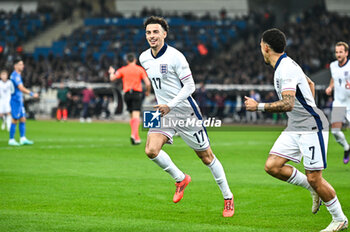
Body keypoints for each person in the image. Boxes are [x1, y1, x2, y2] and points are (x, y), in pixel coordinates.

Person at [244, 28, 348, 232]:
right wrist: (309, 105)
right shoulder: (286, 64)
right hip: (296, 126)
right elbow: (309, 83)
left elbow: (288, 103)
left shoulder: (285, 69)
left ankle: (340, 219)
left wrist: (259, 106)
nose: (260, 50)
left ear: (266, 48)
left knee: (315, 177)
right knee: (272, 166)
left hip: (310, 127)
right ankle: (312, 189)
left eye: (260, 47)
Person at [139, 16, 234, 217]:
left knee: (206, 157)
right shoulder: (144, 58)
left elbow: (190, 87)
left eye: (156, 32)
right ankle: (180, 179)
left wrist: (170, 105)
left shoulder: (176, 57)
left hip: (185, 111)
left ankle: (227, 197)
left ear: (165, 33)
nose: (152, 36)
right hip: (163, 112)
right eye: (148, 32)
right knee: (150, 150)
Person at [109, 53, 151, 145]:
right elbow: (147, 83)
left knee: (132, 116)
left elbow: (112, 78)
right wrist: (147, 92)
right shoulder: (140, 69)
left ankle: (136, 138)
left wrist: (111, 72)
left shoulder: (123, 69)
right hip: (137, 93)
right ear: (135, 60)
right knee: (136, 116)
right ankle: (133, 134)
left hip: (127, 94)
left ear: (127, 61)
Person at [325, 41, 350, 164]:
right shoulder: (333, 65)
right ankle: (346, 147)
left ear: (346, 53)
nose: (338, 54)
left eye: (341, 52)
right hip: (339, 102)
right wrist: (330, 87)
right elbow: (334, 78)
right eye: (336, 52)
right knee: (335, 131)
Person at [8, 57, 39, 146]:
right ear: (15, 66)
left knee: (23, 118)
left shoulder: (17, 75)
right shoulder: (15, 76)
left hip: (19, 100)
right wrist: (32, 94)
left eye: (22, 64)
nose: (23, 66)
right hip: (15, 101)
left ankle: (22, 138)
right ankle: (11, 139)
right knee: (15, 119)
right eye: (20, 64)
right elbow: (21, 88)